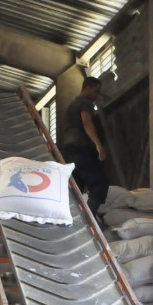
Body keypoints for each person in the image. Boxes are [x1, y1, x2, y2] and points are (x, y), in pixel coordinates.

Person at [61, 76, 110, 219]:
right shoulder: (85, 103)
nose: (96, 97)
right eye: (96, 92)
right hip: (81, 148)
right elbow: (86, 122)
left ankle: (73, 219)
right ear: (87, 88)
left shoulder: (72, 105)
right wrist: (99, 145)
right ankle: (89, 219)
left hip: (69, 151)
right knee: (100, 182)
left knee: (77, 186)